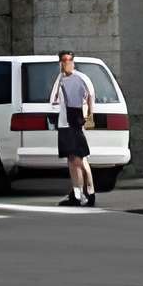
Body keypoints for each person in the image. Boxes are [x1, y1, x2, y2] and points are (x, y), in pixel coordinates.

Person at [49, 50, 95, 206]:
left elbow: (91, 95)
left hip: (74, 120)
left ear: (73, 61)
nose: (66, 63)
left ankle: (85, 193)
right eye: (63, 60)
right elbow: (53, 98)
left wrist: (89, 117)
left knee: (78, 160)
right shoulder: (60, 78)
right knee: (72, 159)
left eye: (68, 60)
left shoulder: (80, 78)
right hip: (64, 122)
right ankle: (80, 193)